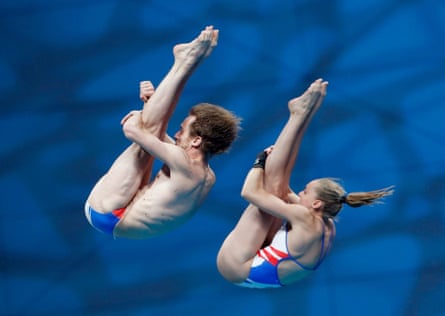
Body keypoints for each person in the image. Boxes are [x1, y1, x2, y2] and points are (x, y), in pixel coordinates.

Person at [216, 79, 394, 288]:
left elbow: (249, 192)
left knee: (271, 189)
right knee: (279, 187)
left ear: (317, 203)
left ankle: (299, 114)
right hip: (261, 271)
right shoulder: (325, 223)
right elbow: (284, 185)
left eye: (306, 191)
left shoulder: (304, 216)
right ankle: (302, 113)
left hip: (235, 267)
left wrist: (260, 161)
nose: (300, 192)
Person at [85, 26, 241, 239]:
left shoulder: (181, 160)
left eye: (182, 130)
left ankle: (185, 62)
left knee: (148, 130)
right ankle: (186, 61)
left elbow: (131, 129)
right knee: (152, 130)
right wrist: (151, 105)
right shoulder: (206, 174)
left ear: (196, 140)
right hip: (125, 216)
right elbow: (159, 137)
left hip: (107, 213)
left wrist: (141, 115)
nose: (177, 135)